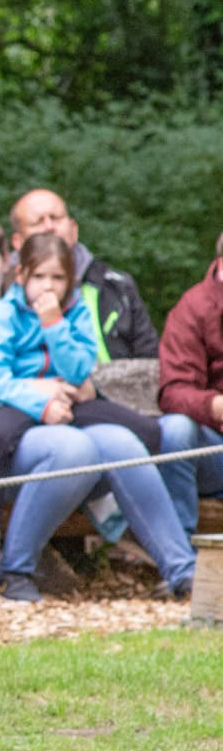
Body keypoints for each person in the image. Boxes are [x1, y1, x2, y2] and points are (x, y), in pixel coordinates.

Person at [0, 216, 195, 600]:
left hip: (60, 420)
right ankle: (13, 571)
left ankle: (184, 571)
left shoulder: (56, 307)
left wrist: (72, 384)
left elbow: (77, 364)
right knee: (73, 449)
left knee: (122, 443)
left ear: (8, 263)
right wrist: (34, 393)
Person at [0, 233, 161, 568]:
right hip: (22, 401)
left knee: (149, 432)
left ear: (70, 280)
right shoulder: (4, 311)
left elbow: (79, 368)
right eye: (39, 277)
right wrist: (40, 401)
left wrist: (54, 324)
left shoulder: (76, 311)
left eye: (57, 277)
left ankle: (100, 499)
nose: (48, 286)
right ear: (22, 275)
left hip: (71, 400)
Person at [9, 188, 159, 362]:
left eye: (55, 218)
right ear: (18, 241)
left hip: (116, 385)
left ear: (73, 229)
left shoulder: (116, 286)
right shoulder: (2, 292)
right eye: (38, 222)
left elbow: (150, 361)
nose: (49, 227)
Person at [155, 230, 223, 539]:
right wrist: (214, 405)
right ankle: (183, 559)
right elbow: (174, 392)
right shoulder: (193, 308)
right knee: (176, 429)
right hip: (215, 450)